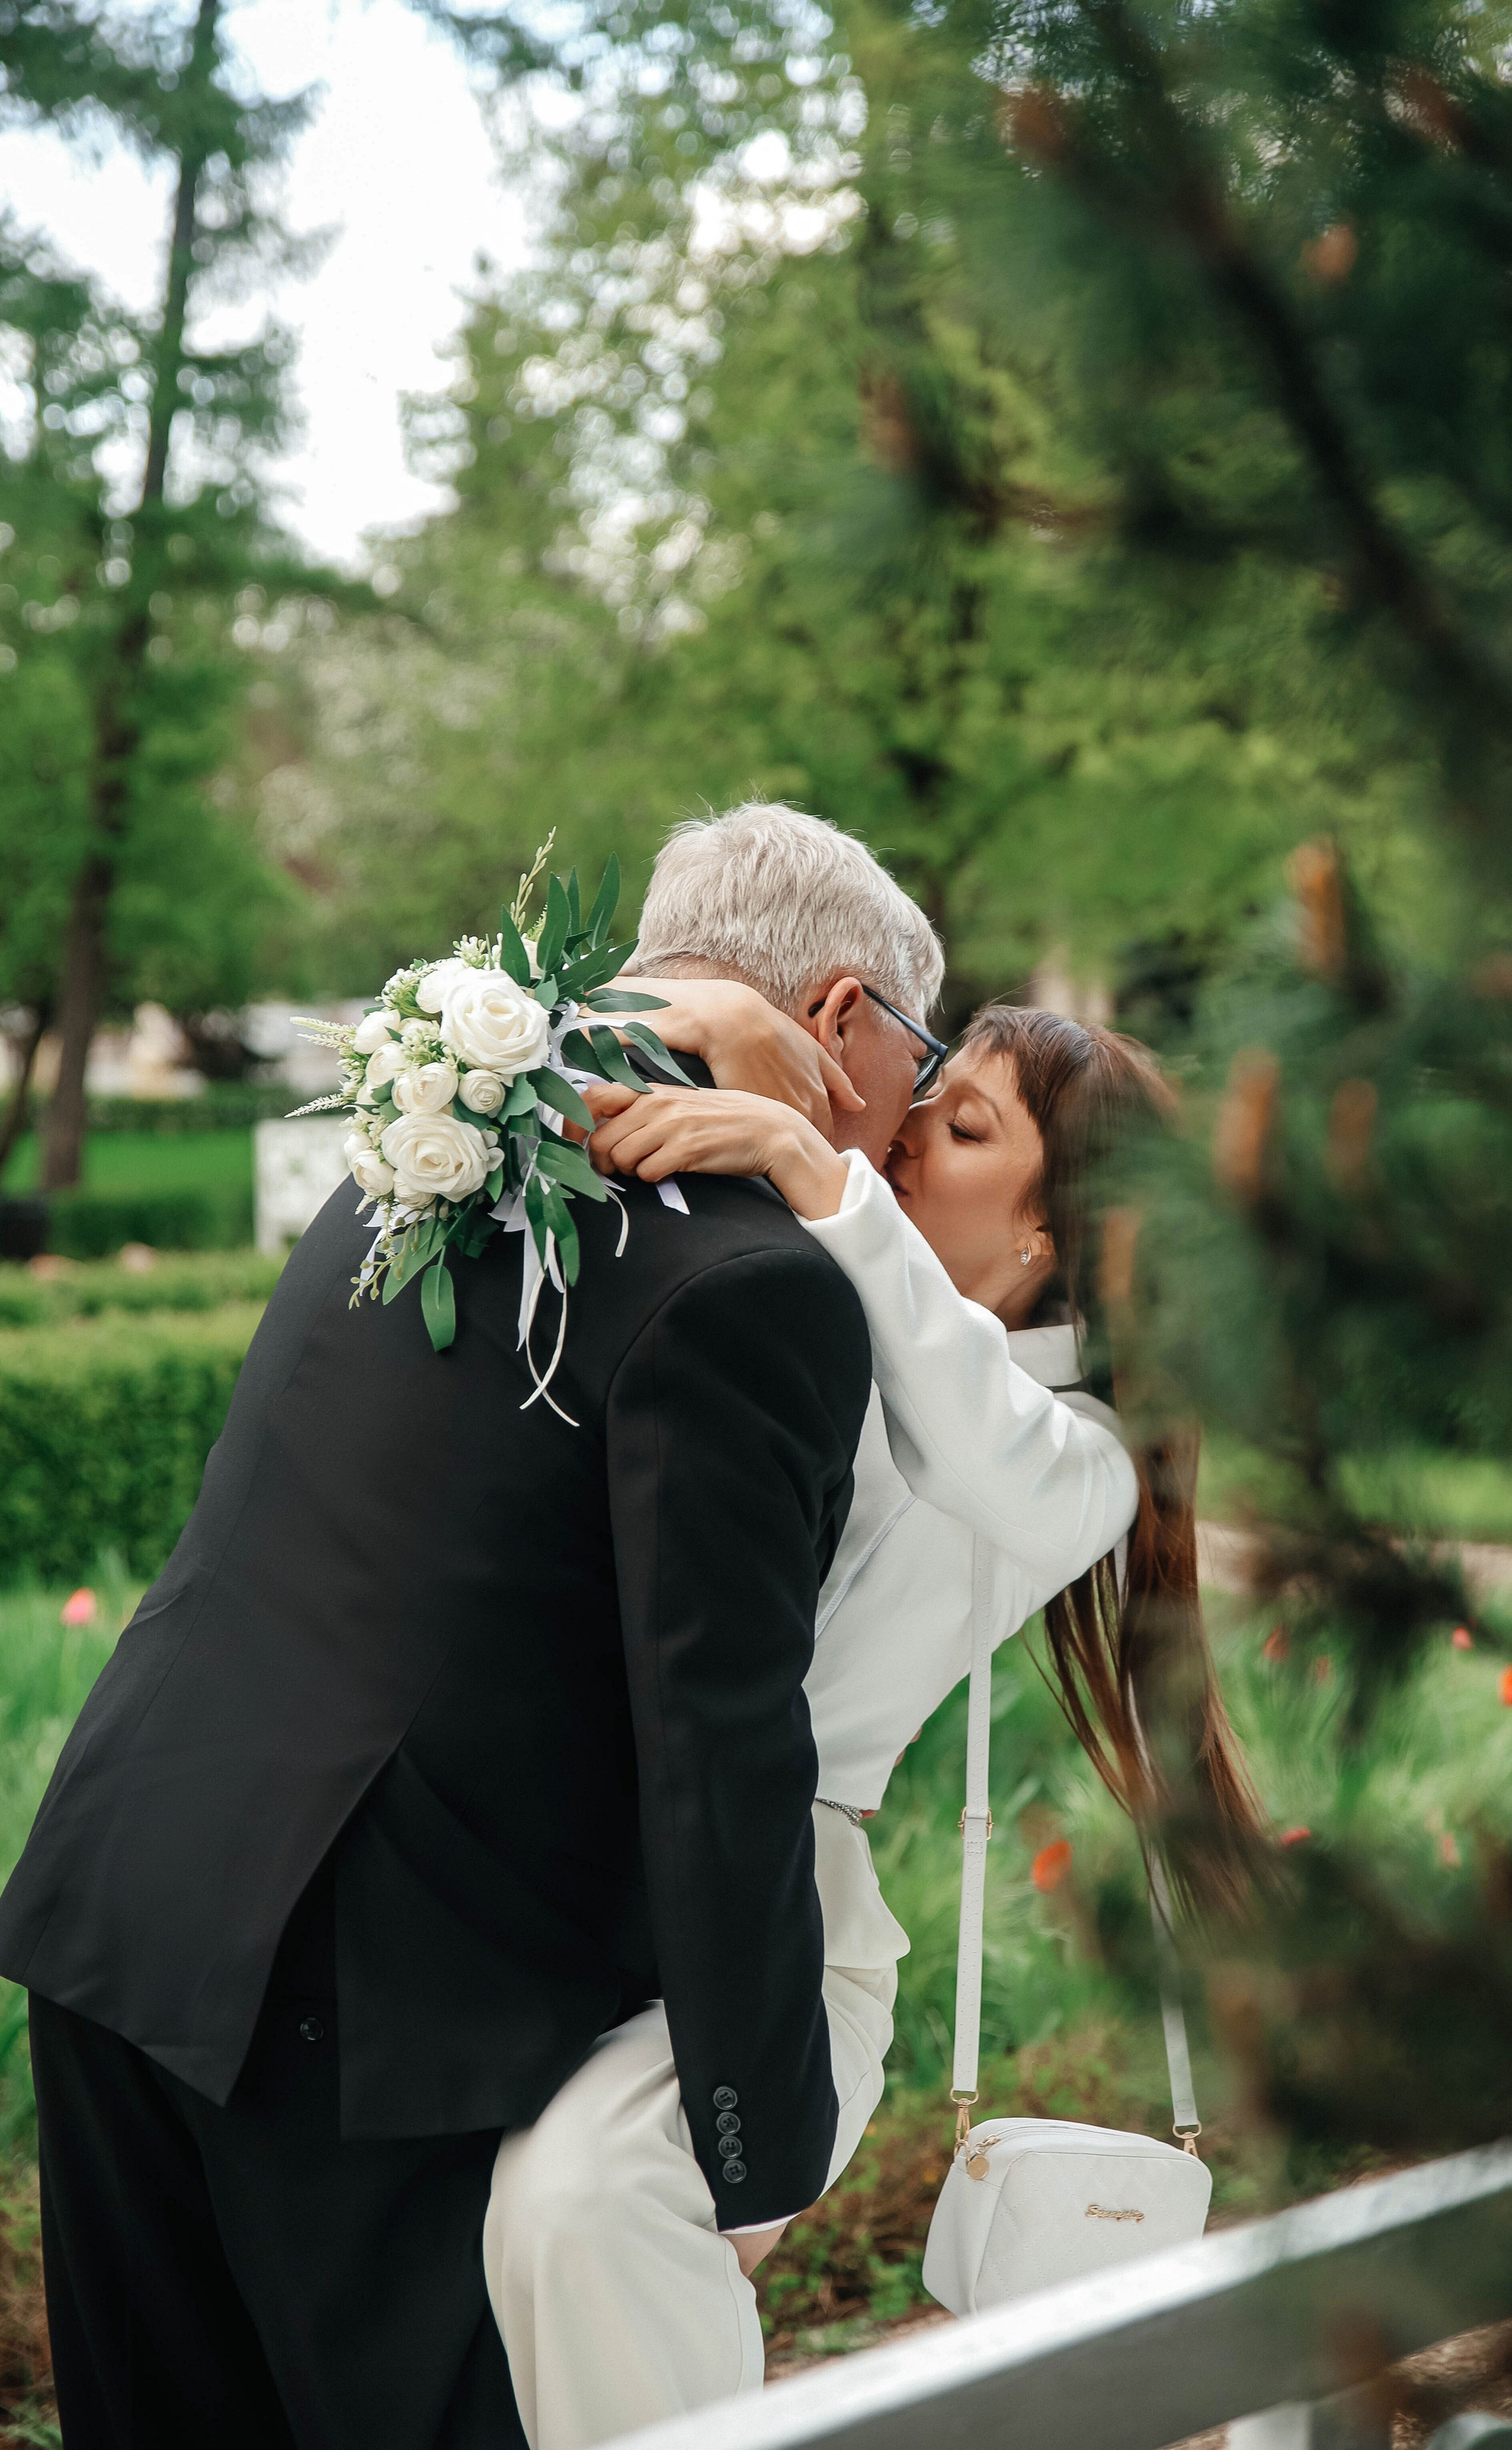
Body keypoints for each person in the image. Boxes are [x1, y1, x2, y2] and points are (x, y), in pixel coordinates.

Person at [0, 803, 940, 2450]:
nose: (910, 1123)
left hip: (124, 1914)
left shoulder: (429, 1129)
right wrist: (754, 2162)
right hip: (360, 2031)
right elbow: (718, 1752)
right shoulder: (755, 1285)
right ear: (841, 1017)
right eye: (916, 1068)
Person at [482, 995, 1261, 2447]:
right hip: (600, 1868)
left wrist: (811, 1162)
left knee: (582, 2198)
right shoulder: (812, 1305)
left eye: (964, 1129)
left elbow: (973, 1439)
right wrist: (710, 1012)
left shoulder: (1077, 1461)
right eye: (929, 1098)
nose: (901, 1136)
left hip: (782, 1932)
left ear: (1050, 1236)